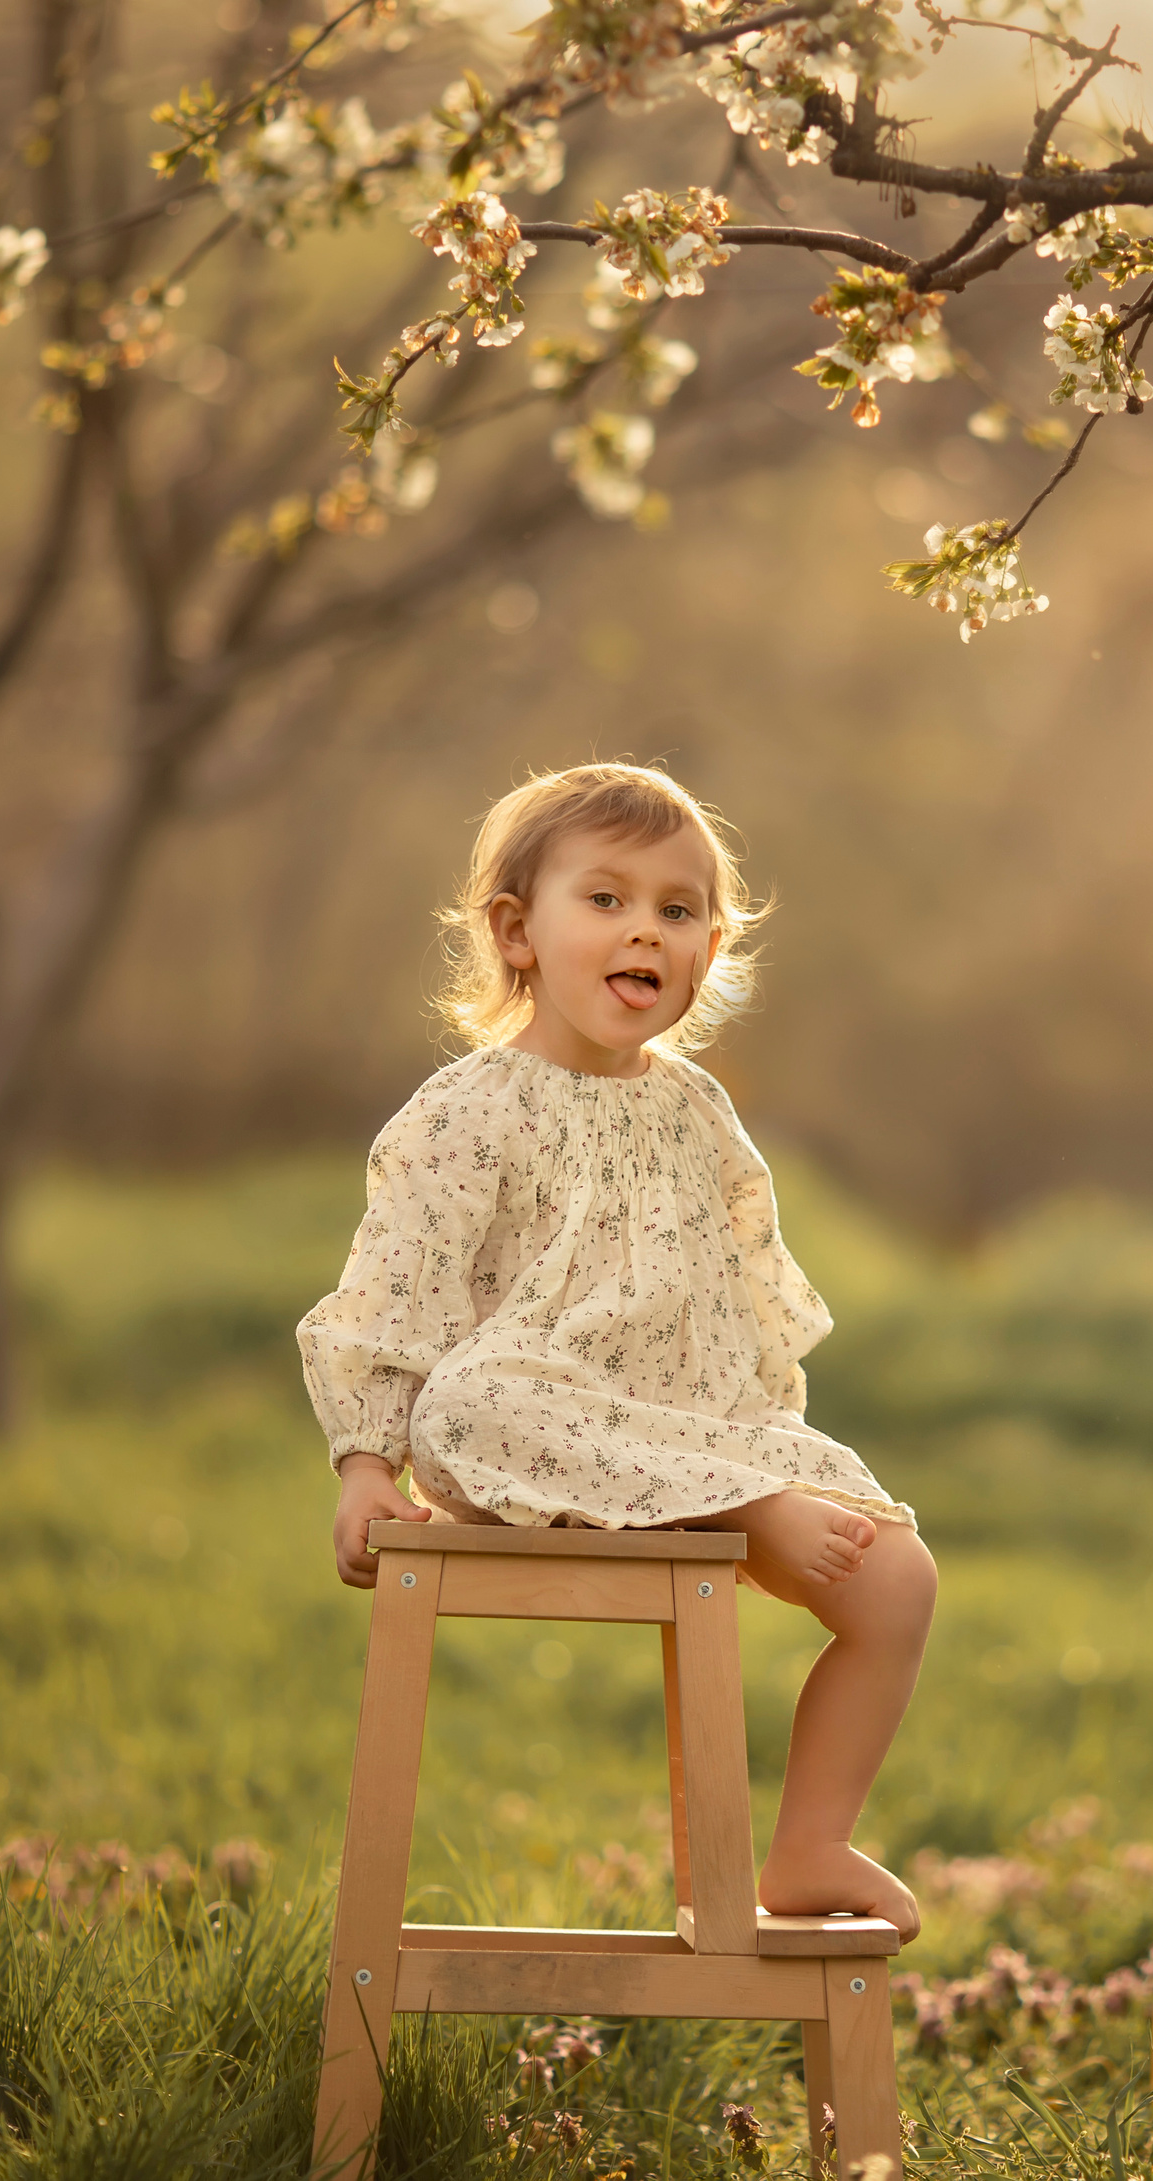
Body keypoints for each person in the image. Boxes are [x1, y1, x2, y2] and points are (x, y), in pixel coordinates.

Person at [299, 762, 936, 1939]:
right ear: (516, 933)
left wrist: (767, 1448)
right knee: (469, 1399)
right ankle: (742, 1508)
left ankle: (808, 1844)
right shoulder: (471, 1107)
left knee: (900, 1577)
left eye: (678, 910)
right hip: (528, 1438)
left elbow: (732, 1302)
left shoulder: (697, 1111)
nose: (645, 928)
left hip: (695, 1435)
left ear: (708, 951)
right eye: (606, 899)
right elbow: (395, 1287)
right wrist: (364, 1463)